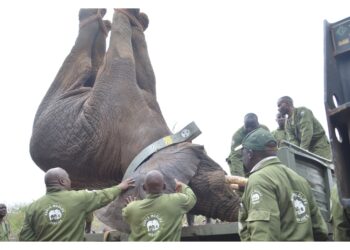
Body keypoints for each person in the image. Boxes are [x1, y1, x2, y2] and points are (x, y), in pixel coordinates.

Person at [238, 128, 328, 241]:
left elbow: (264, 235)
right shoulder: (300, 179)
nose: (242, 158)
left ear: (250, 154)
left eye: (243, 153)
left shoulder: (259, 180)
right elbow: (320, 230)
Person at [19, 167, 134, 241]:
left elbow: (25, 239)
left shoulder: (32, 208)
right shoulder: (79, 198)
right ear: (62, 181)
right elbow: (103, 195)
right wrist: (120, 187)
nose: (70, 181)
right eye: (68, 178)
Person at [122, 170, 197, 241]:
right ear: (164, 186)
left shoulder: (131, 208)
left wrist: (132, 205)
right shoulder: (177, 201)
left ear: (144, 188)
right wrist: (182, 186)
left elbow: (126, 215)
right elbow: (192, 197)